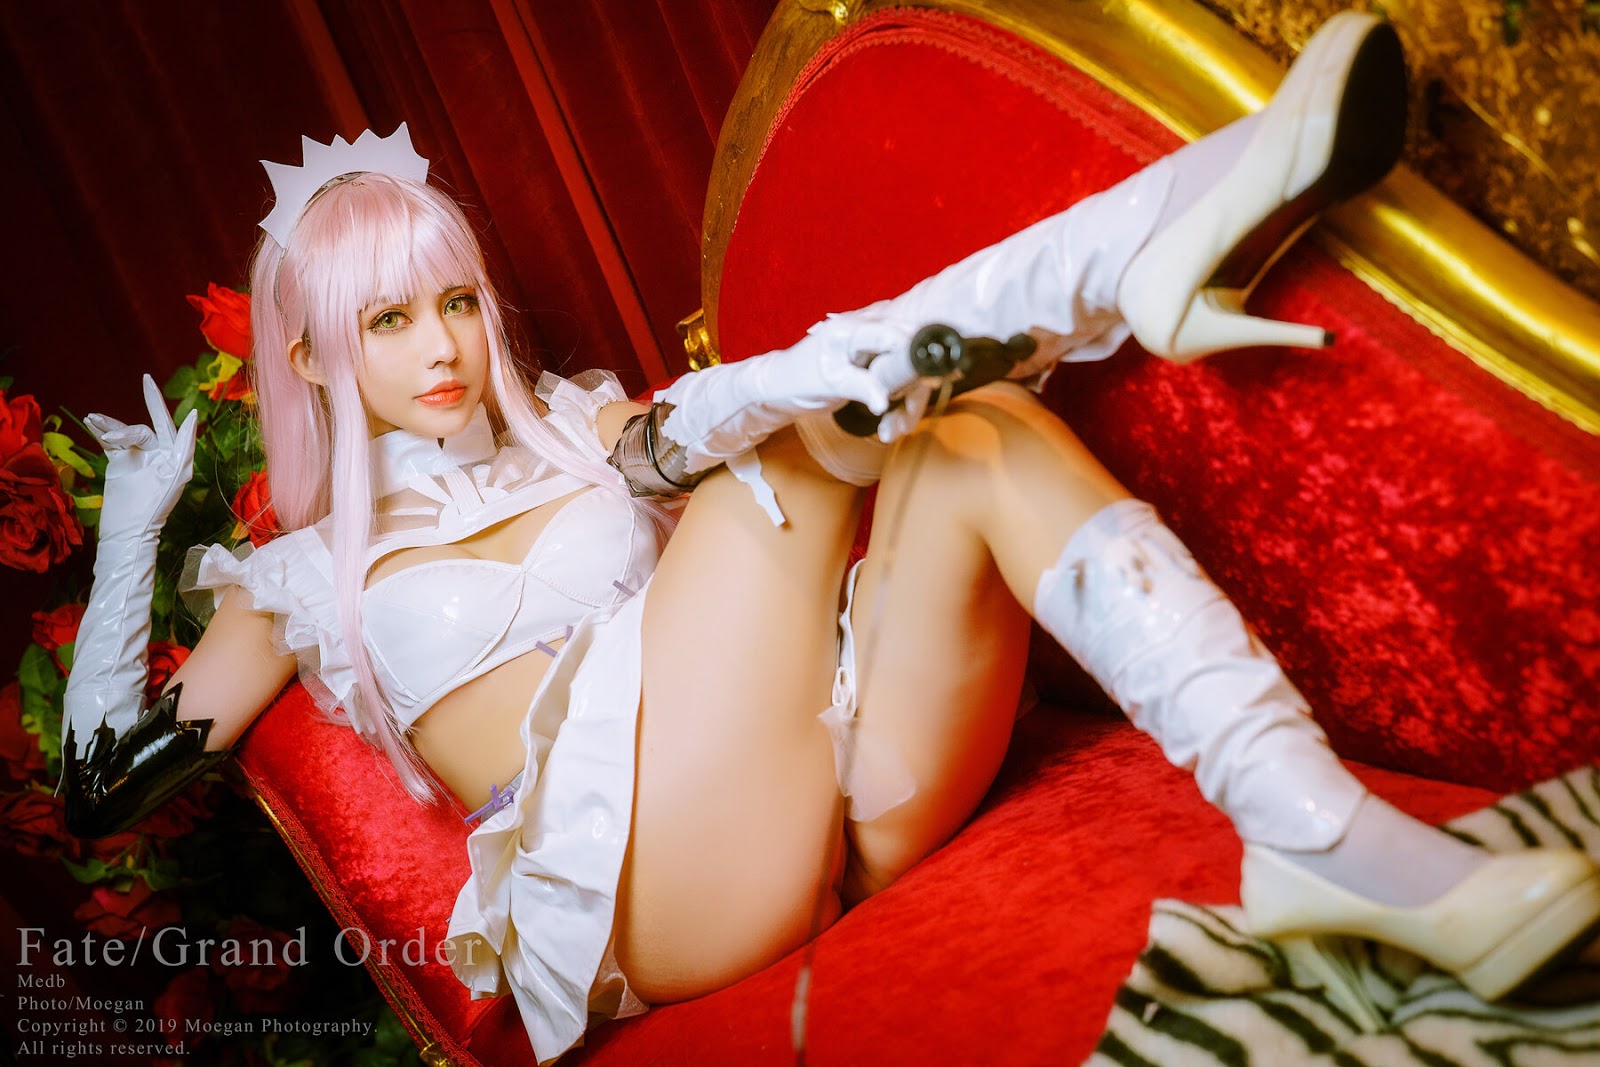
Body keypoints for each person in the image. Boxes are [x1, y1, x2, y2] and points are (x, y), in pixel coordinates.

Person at [58, 12, 1600, 1063]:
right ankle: (1124, 253)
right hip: (654, 901)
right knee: (772, 445)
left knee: (973, 438)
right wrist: (133, 532)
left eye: (455, 299)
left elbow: (692, 436)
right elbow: (98, 795)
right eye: (388, 320)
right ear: (314, 355)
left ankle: (1330, 843)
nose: (444, 344)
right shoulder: (291, 586)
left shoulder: (580, 426)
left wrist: (663, 438)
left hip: (847, 792)